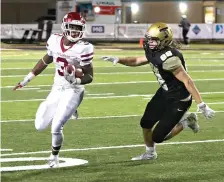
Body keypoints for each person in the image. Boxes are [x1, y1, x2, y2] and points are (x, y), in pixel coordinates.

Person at [101, 22, 215, 161]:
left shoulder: (170, 59)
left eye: (154, 40)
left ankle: (187, 121)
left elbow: (188, 81)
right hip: (164, 92)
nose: (150, 42)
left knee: (158, 137)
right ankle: (150, 153)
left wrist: (201, 104)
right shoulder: (153, 50)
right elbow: (138, 60)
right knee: (146, 123)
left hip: (179, 99)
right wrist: (119, 59)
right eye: (149, 39)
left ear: (164, 41)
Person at [13, 12, 94, 167]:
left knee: (56, 126)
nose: (76, 31)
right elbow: (45, 60)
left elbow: (89, 76)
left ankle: (54, 157)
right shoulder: (54, 40)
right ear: (65, 27)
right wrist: (26, 79)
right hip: (57, 87)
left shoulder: (84, 48)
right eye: (72, 27)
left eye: (78, 28)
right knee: (40, 125)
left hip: (74, 89)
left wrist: (76, 79)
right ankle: (69, 110)